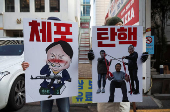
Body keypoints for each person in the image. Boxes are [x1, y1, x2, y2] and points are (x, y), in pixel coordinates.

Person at [22, 17, 70, 112]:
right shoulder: (39, 43)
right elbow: (35, 64)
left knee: (64, 109)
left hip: (60, 87)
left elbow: (70, 68)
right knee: (45, 110)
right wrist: (27, 65)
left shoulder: (66, 44)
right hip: (46, 87)